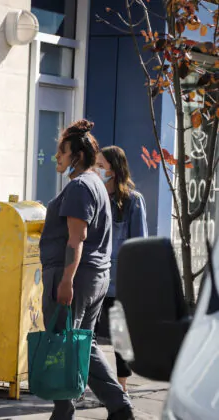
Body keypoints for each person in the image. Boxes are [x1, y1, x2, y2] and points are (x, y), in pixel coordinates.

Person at [38, 119, 134, 420]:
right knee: (81, 343)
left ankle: (71, 410)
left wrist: (66, 280)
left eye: (61, 152)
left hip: (76, 277)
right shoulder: (94, 183)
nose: (57, 157)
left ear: (75, 156)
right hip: (94, 277)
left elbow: (76, 239)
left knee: (66, 343)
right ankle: (111, 407)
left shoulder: (80, 186)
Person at [94, 146, 148, 393]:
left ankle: (122, 386)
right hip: (95, 277)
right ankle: (92, 382)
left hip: (120, 282)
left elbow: (140, 245)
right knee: (88, 333)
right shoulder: (97, 197)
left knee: (120, 337)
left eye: (101, 165)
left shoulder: (132, 202)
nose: (97, 170)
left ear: (114, 170)